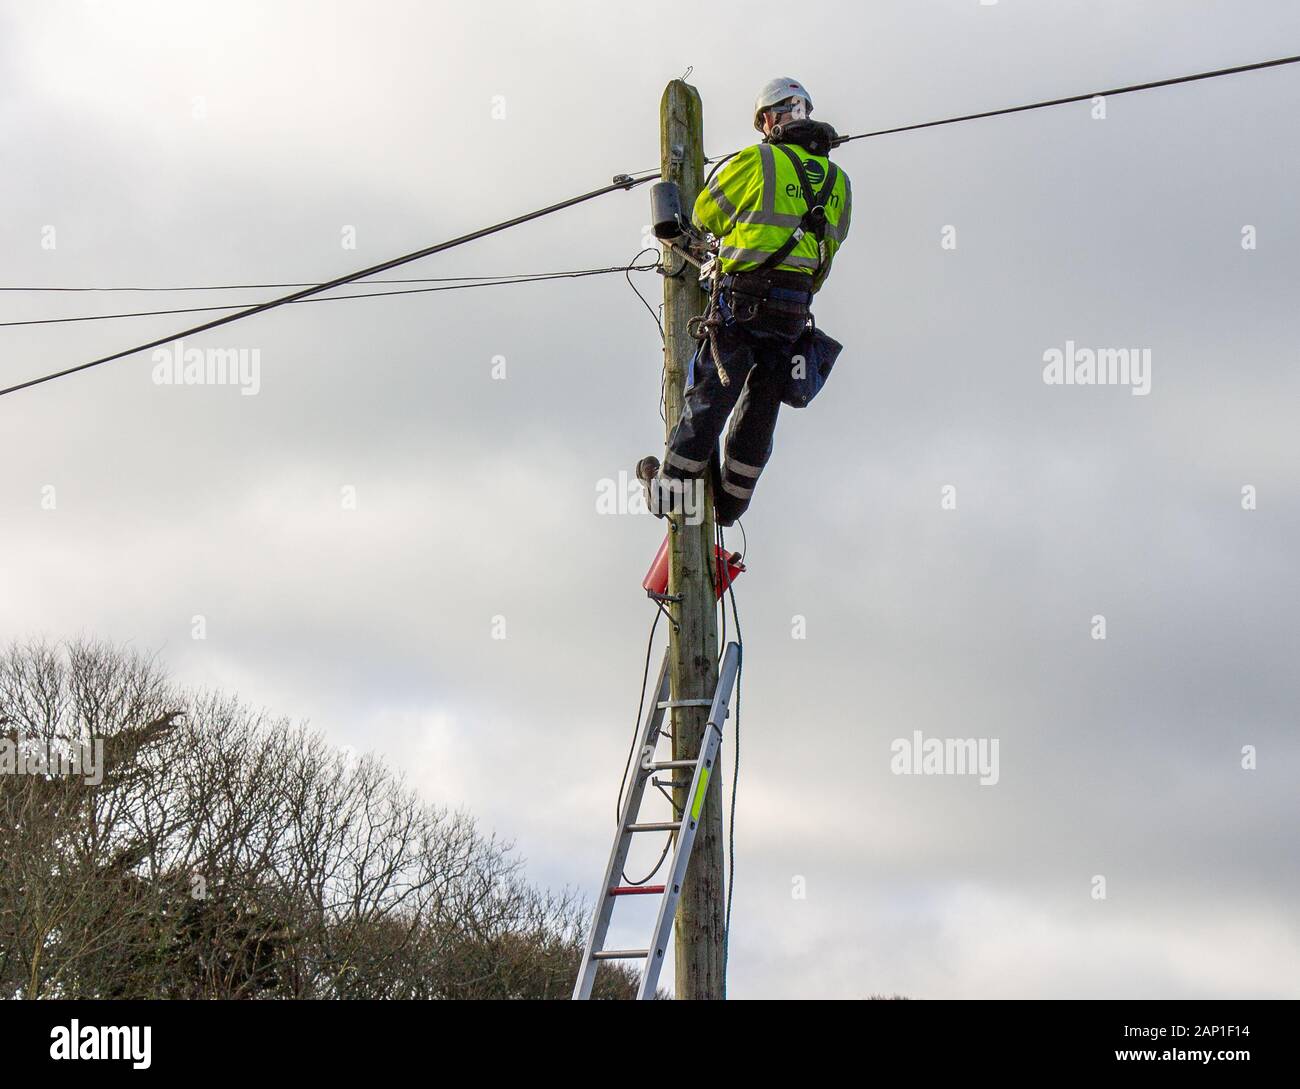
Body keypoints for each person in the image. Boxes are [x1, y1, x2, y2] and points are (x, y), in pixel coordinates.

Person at [638, 77, 853, 527]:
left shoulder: (758, 161)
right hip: (794, 312)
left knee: (711, 393)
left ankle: (671, 490)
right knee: (762, 404)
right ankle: (733, 500)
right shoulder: (839, 183)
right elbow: (828, 251)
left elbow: (703, 215)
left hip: (745, 300)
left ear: (771, 118)